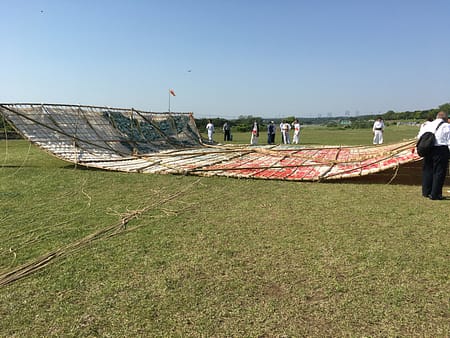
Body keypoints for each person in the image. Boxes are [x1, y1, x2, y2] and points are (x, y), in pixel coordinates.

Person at [417, 111, 450, 200]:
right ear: (446, 118)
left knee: (427, 171)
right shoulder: (447, 126)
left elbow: (419, 137)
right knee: (439, 172)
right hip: (440, 149)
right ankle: (435, 194)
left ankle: (426, 192)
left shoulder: (428, 125)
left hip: (428, 149)